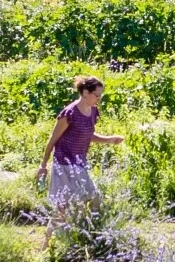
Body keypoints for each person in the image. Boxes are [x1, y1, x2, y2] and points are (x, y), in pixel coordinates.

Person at [39, 75, 123, 205]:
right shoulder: (69, 113)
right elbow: (53, 139)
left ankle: (87, 225)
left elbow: (87, 135)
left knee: (90, 199)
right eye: (97, 95)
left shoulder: (93, 111)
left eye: (101, 96)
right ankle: (80, 225)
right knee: (67, 207)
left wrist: (110, 140)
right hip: (64, 164)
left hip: (79, 164)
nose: (99, 99)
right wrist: (43, 165)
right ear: (85, 93)